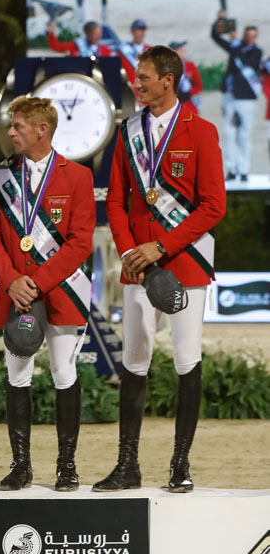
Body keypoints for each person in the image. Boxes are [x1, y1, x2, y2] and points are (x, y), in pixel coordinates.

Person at [96, 46, 226, 493]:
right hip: (138, 265)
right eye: (137, 76)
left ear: (168, 80)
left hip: (185, 264)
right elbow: (116, 200)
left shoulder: (202, 131)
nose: (137, 83)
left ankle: (180, 465)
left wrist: (161, 246)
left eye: (144, 77)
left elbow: (214, 206)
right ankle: (127, 465)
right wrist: (133, 251)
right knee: (134, 361)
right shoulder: (128, 131)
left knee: (187, 360)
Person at [0, 96, 95, 492]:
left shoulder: (78, 177)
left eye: (17, 126)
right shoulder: (0, 177)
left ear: (41, 130)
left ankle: (67, 466)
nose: (11, 132)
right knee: (18, 375)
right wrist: (13, 279)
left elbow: (81, 243)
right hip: (17, 292)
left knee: (64, 373)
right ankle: (21, 466)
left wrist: (36, 282)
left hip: (61, 290)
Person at [211, 11, 262, 181]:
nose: (250, 38)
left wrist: (235, 46)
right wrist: (220, 20)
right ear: (244, 35)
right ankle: (231, 169)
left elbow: (249, 66)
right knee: (230, 132)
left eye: (253, 36)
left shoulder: (256, 52)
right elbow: (216, 37)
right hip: (230, 95)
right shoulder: (235, 46)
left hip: (246, 97)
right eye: (248, 35)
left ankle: (244, 169)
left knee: (245, 133)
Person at [46, 20, 113, 58]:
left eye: (99, 34)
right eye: (95, 34)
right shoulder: (76, 46)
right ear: (87, 33)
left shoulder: (105, 50)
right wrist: (50, 32)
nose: (98, 37)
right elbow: (55, 46)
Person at [172, 41, 203, 116]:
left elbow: (199, 86)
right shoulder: (166, 70)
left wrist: (189, 94)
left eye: (182, 49)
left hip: (190, 105)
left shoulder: (190, 66)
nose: (183, 50)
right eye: (179, 49)